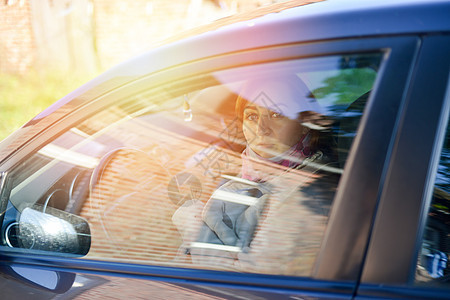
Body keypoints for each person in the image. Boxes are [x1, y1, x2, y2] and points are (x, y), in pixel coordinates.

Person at [175, 74, 338, 275]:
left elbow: (242, 284)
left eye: (277, 114)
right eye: (252, 116)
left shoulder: (309, 192)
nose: (262, 129)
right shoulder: (239, 181)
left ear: (304, 123)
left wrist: (192, 223)